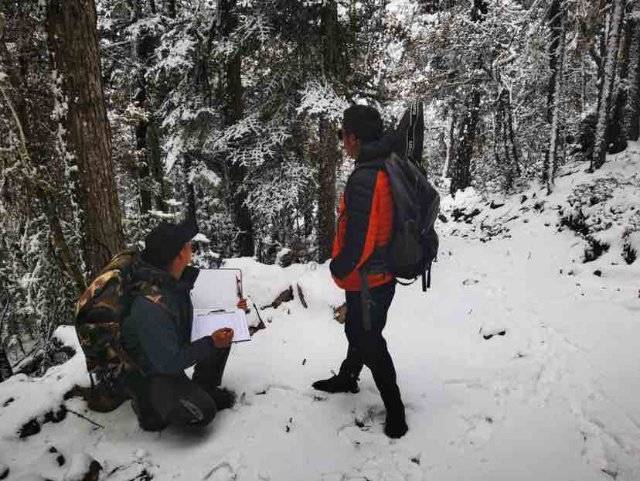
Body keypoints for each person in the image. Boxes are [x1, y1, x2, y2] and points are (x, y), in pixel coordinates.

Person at [312, 104, 408, 439]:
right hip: (374, 276)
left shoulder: (368, 176)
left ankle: (395, 409)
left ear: (353, 137)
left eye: (342, 135)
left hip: (372, 278)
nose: (341, 141)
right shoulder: (380, 164)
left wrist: (339, 268)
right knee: (358, 328)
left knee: (367, 339)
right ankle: (348, 377)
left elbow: (361, 237)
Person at [121, 216, 245, 431]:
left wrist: (232, 309)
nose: (192, 248)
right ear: (179, 255)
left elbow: (192, 314)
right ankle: (150, 407)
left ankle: (202, 387)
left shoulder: (174, 281)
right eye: (189, 245)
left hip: (167, 353)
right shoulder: (149, 305)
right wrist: (209, 342)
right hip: (152, 373)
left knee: (223, 333)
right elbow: (168, 362)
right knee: (203, 412)